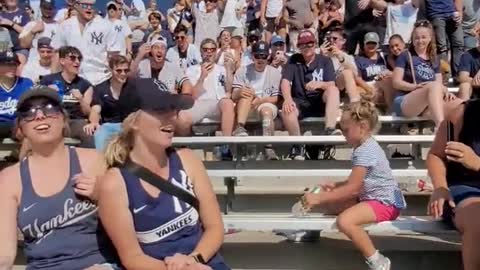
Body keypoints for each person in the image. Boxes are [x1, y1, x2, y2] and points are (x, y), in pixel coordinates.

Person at [97, 78, 230, 270]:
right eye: (160, 110)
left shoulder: (188, 160)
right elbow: (132, 258)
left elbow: (215, 228)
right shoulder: (115, 183)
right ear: (133, 121)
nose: (172, 117)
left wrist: (194, 261)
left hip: (203, 263)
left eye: (173, 109)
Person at [0, 86, 120, 269]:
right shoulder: (10, 179)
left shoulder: (94, 161)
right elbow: (4, 254)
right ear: (20, 128)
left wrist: (103, 197)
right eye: (29, 113)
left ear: (64, 119)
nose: (40, 116)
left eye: (49, 109)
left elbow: (130, 223)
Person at [304, 100, 406, 270]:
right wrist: (336, 186)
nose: (343, 134)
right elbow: (357, 182)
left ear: (363, 127)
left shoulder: (365, 151)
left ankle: (377, 259)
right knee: (333, 203)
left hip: (385, 203)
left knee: (345, 221)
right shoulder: (364, 146)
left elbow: (353, 189)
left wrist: (319, 198)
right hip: (373, 198)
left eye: (346, 130)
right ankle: (310, 230)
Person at [427, 99, 480, 270]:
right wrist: (441, 187)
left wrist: (478, 163)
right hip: (467, 191)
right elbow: (436, 154)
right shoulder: (463, 113)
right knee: (477, 216)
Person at [281, 30, 340, 160]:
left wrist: (319, 84)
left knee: (333, 91)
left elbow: (331, 84)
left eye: (309, 44)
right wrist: (287, 99)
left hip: (320, 101)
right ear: (298, 47)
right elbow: (285, 81)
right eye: (303, 45)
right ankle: (297, 145)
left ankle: (329, 130)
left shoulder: (325, 60)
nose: (306, 47)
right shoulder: (294, 60)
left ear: (315, 44)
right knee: (287, 109)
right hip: (300, 101)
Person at [392, 20, 458, 128]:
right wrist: (414, 86)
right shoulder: (405, 55)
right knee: (433, 86)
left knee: (457, 102)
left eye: (423, 37)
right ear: (412, 39)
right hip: (405, 100)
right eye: (416, 38)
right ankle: (441, 127)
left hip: (427, 102)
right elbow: (396, 82)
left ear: (430, 38)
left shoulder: (434, 59)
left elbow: (439, 85)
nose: (420, 40)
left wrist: (446, 92)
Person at [51, 0, 124, 86]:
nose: (89, 8)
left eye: (92, 5)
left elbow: (114, 57)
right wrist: (55, 81)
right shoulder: (66, 26)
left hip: (100, 80)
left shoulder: (106, 26)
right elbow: (57, 54)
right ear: (76, 5)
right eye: (85, 5)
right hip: (72, 81)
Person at [232, 41, 280, 160]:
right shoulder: (242, 71)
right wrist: (240, 92)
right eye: (257, 56)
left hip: (264, 103)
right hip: (245, 106)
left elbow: (276, 98)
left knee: (267, 111)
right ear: (252, 56)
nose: (260, 59)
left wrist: (260, 100)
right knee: (247, 93)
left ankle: (269, 147)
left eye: (263, 56)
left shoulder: (274, 73)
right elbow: (233, 95)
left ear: (268, 56)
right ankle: (240, 127)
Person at [40, 46, 94, 147]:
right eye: (73, 58)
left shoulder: (85, 84)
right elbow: (37, 105)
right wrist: (47, 93)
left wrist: (81, 100)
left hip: (74, 122)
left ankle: (88, 161)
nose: (77, 62)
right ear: (62, 61)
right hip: (52, 120)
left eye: (79, 59)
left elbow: (88, 113)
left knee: (86, 130)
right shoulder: (48, 80)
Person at [181, 38, 235, 138]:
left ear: (216, 51)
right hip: (199, 104)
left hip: (217, 104)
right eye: (205, 49)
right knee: (182, 116)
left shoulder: (222, 69)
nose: (209, 52)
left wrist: (229, 70)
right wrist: (202, 77)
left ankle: (227, 144)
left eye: (212, 49)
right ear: (201, 51)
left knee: (228, 103)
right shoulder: (192, 70)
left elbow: (228, 91)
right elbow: (192, 96)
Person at [84, 55, 130, 151]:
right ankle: (101, 161)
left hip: (129, 125)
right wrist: (93, 122)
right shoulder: (101, 88)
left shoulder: (133, 87)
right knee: (100, 131)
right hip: (109, 126)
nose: (123, 73)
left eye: (126, 70)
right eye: (119, 70)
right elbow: (96, 109)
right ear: (111, 70)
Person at [424, 0, 464, 78]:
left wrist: (460, 12)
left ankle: (458, 76)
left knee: (458, 44)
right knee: (441, 47)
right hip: (435, 14)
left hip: (452, 13)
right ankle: (444, 76)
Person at [355, 32, 394, 111]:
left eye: (374, 43)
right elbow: (358, 78)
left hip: (384, 84)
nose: (371, 45)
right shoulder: (359, 59)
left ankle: (391, 112)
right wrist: (369, 88)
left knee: (387, 81)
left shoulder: (385, 57)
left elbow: (395, 72)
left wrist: (387, 73)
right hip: (367, 85)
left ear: (378, 44)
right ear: (364, 44)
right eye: (368, 43)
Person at [320, 28, 360, 103]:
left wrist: (341, 58)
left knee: (347, 72)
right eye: (328, 39)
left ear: (343, 41)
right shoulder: (319, 53)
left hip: (339, 86)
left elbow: (355, 74)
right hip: (323, 87)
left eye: (334, 38)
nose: (331, 41)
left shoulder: (346, 56)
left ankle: (355, 104)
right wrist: (321, 56)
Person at [0, 51, 33, 138]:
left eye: (15, 65)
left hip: (18, 124)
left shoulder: (26, 83)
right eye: (7, 65)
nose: (12, 68)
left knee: (27, 131)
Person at [18, 0, 58, 64]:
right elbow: (23, 44)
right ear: (40, 7)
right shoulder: (32, 24)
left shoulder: (60, 26)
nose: (47, 10)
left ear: (54, 8)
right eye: (45, 7)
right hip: (35, 62)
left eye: (50, 8)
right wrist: (33, 32)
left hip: (53, 62)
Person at [0, 0, 30, 69]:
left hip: (20, 48)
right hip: (4, 49)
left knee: (20, 67)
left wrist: (11, 23)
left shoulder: (23, 14)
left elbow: (27, 32)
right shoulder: (1, 15)